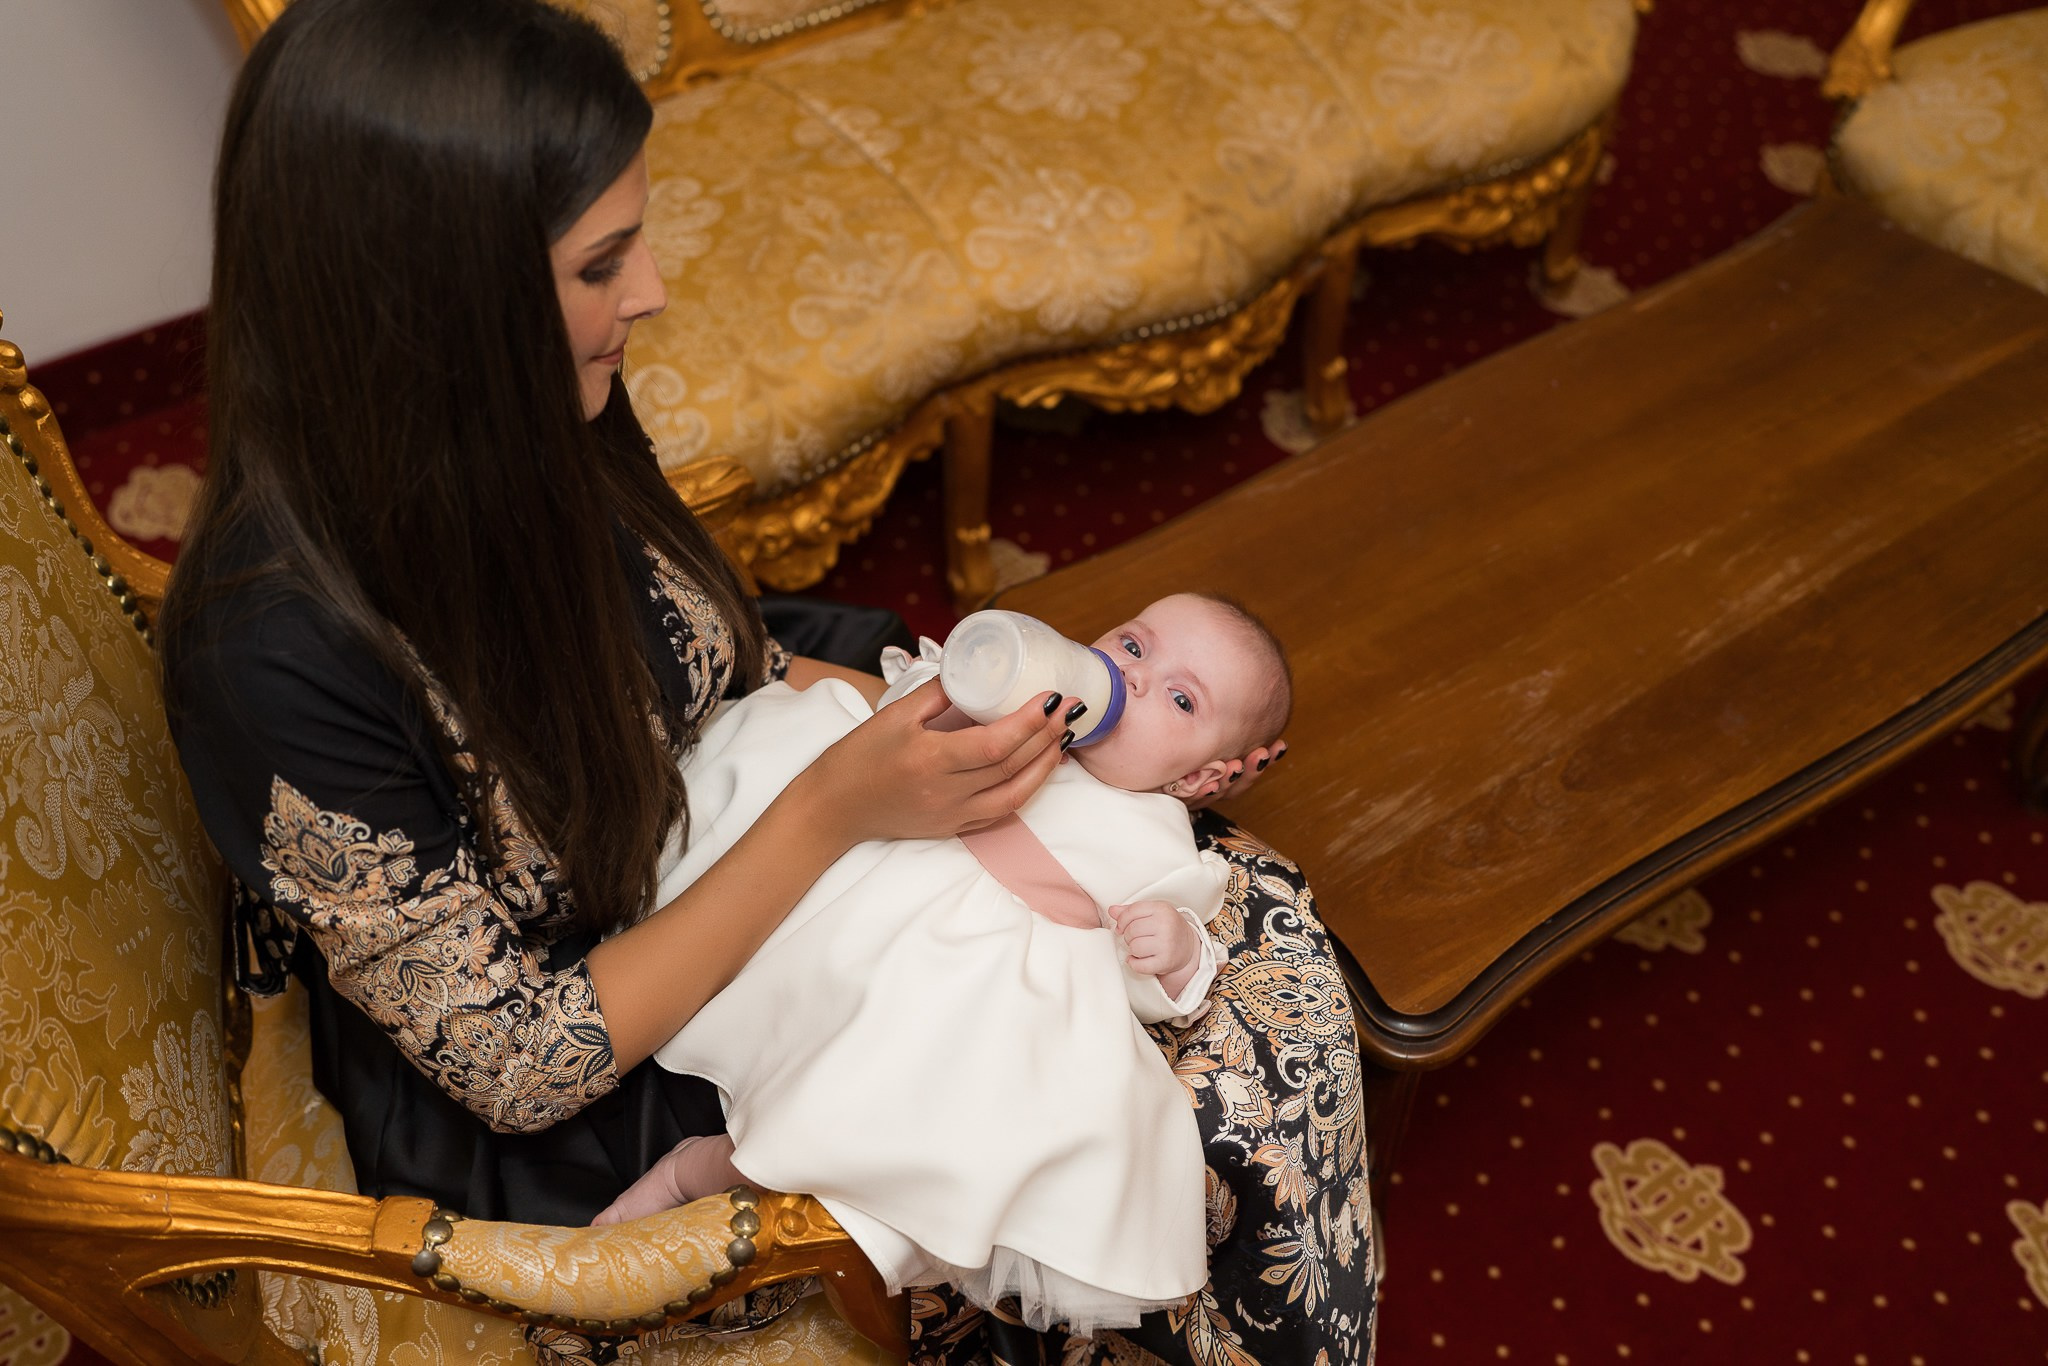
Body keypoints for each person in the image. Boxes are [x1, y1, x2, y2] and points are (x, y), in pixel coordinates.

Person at [160, 1, 1368, 1362]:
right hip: (598, 1034)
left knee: (1228, 944)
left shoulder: (538, 403)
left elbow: (706, 629)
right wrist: (838, 809)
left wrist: (845, 709)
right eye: (604, 261)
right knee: (1098, 1124)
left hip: (722, 802)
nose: (656, 290)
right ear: (442, 303)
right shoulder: (276, 654)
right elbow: (514, 1059)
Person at [590, 595, 1290, 1338]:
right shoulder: (1026, 710)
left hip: (949, 987)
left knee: (893, 1133)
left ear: (1197, 780)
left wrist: (1173, 953)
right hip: (860, 884)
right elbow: (903, 721)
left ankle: (698, 1171)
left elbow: (1164, 977)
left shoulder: (1157, 839)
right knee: (733, 881)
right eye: (1134, 646)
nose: (1137, 680)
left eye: (1180, 699)